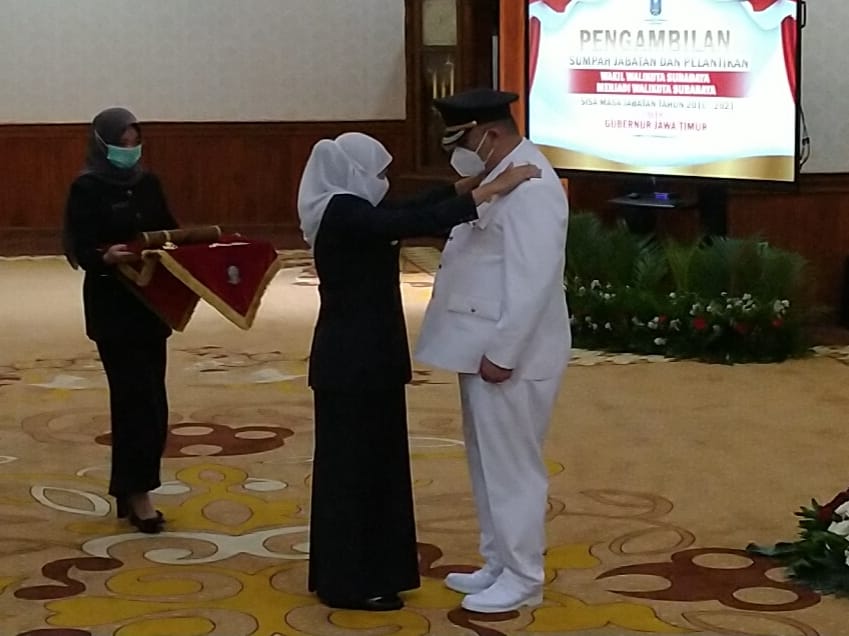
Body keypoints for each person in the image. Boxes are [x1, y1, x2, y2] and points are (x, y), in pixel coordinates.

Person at [297, 132, 540, 612]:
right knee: (353, 473)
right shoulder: (343, 211)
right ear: (354, 172)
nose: (384, 181)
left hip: (369, 359)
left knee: (376, 468)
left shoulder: (346, 206)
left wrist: (462, 186)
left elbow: (405, 210)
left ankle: (370, 573)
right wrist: (485, 193)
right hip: (351, 362)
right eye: (379, 171)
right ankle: (348, 583)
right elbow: (411, 219)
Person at [415, 88, 571, 613]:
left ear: (492, 132)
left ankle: (525, 575)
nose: (460, 150)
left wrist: (505, 352)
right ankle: (499, 561)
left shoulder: (531, 185)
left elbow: (533, 278)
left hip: (513, 354)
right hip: (478, 346)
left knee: (513, 467)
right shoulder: (497, 176)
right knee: (486, 462)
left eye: (464, 139)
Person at [62, 107, 178, 534]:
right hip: (113, 308)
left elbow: (168, 229)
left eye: (134, 142)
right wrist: (104, 256)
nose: (130, 150)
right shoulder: (87, 186)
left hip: (151, 304)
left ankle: (129, 487)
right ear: (101, 143)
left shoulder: (149, 183)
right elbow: (80, 245)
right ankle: (138, 493)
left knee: (154, 401)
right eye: (121, 143)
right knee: (133, 400)